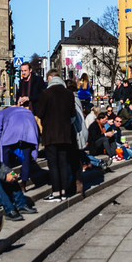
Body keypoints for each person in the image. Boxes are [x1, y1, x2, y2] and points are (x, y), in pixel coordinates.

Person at [35, 69, 78, 202]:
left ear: (49, 79)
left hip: (50, 134)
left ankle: (56, 192)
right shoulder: (69, 94)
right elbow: (72, 114)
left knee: (53, 164)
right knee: (63, 163)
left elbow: (40, 113)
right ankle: (64, 192)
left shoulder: (46, 93)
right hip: (65, 134)